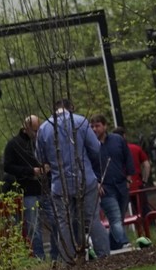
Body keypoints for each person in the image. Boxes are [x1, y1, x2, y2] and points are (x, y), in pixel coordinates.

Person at [37, 100, 111, 260]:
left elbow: (40, 158)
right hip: (85, 178)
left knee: (64, 223)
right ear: (71, 108)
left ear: (54, 109)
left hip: (59, 183)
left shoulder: (44, 128)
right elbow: (96, 148)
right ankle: (104, 256)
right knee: (92, 219)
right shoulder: (80, 121)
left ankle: (69, 260)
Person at [0, 116, 50, 259]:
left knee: (54, 220)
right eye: (34, 130)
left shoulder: (39, 143)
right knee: (33, 227)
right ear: (26, 128)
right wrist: (30, 171)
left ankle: (56, 255)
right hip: (28, 190)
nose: (37, 133)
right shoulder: (13, 145)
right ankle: (40, 258)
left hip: (44, 188)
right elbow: (8, 167)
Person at [89, 116, 135, 252]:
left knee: (120, 216)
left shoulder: (117, 140)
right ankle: (124, 243)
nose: (94, 129)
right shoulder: (89, 145)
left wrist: (129, 177)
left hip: (121, 184)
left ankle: (112, 244)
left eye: (97, 126)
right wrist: (96, 183)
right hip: (105, 187)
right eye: (92, 126)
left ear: (105, 126)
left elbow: (128, 157)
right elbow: (87, 166)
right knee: (114, 216)